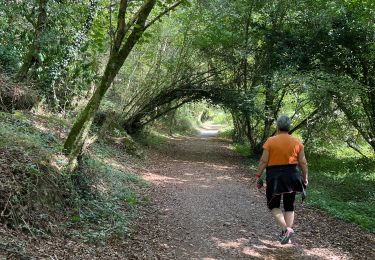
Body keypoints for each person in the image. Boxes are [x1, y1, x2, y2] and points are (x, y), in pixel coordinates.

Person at [255, 115, 308, 244]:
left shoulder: (270, 141)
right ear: (288, 127)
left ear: (277, 126)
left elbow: (263, 160)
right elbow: (303, 162)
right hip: (293, 175)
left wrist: (258, 175)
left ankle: (285, 230)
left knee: (273, 204)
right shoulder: (297, 142)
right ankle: (287, 235)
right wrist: (305, 177)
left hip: (275, 176)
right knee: (290, 205)